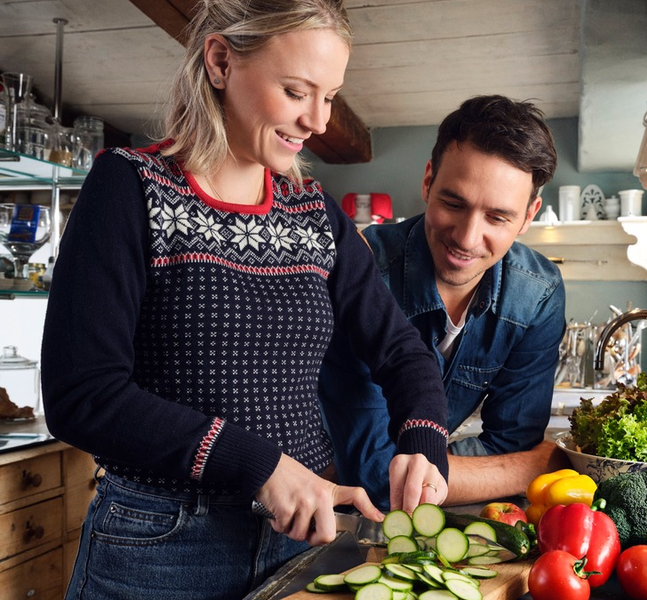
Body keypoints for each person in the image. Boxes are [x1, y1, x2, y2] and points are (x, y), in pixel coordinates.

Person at [40, 1, 449, 598]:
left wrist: (422, 438)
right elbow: (82, 394)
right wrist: (258, 464)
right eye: (296, 91)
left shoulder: (315, 214)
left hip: (301, 542)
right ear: (221, 61)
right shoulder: (127, 187)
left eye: (330, 96)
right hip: (159, 547)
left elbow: (402, 353)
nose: (316, 120)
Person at [319, 95, 570, 511]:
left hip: (418, 519)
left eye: (498, 217)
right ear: (427, 181)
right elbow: (375, 474)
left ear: (529, 216)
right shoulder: (359, 272)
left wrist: (509, 463)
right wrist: (530, 468)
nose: (467, 238)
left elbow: (510, 442)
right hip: (322, 511)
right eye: (454, 203)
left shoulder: (538, 293)